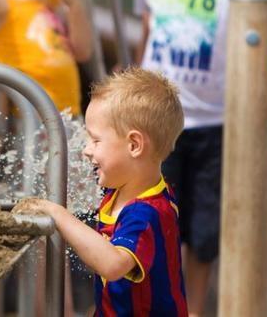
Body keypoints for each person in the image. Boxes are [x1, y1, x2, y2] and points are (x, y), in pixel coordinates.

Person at [133, 0, 263, 316]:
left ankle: (195, 308)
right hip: (160, 121)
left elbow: (255, 38)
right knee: (155, 222)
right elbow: (145, 33)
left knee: (205, 236)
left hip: (216, 121)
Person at [24, 67, 187, 316]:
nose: (87, 150)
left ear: (134, 145)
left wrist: (60, 215)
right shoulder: (120, 192)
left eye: (96, 140)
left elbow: (112, 265)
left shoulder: (148, 212)